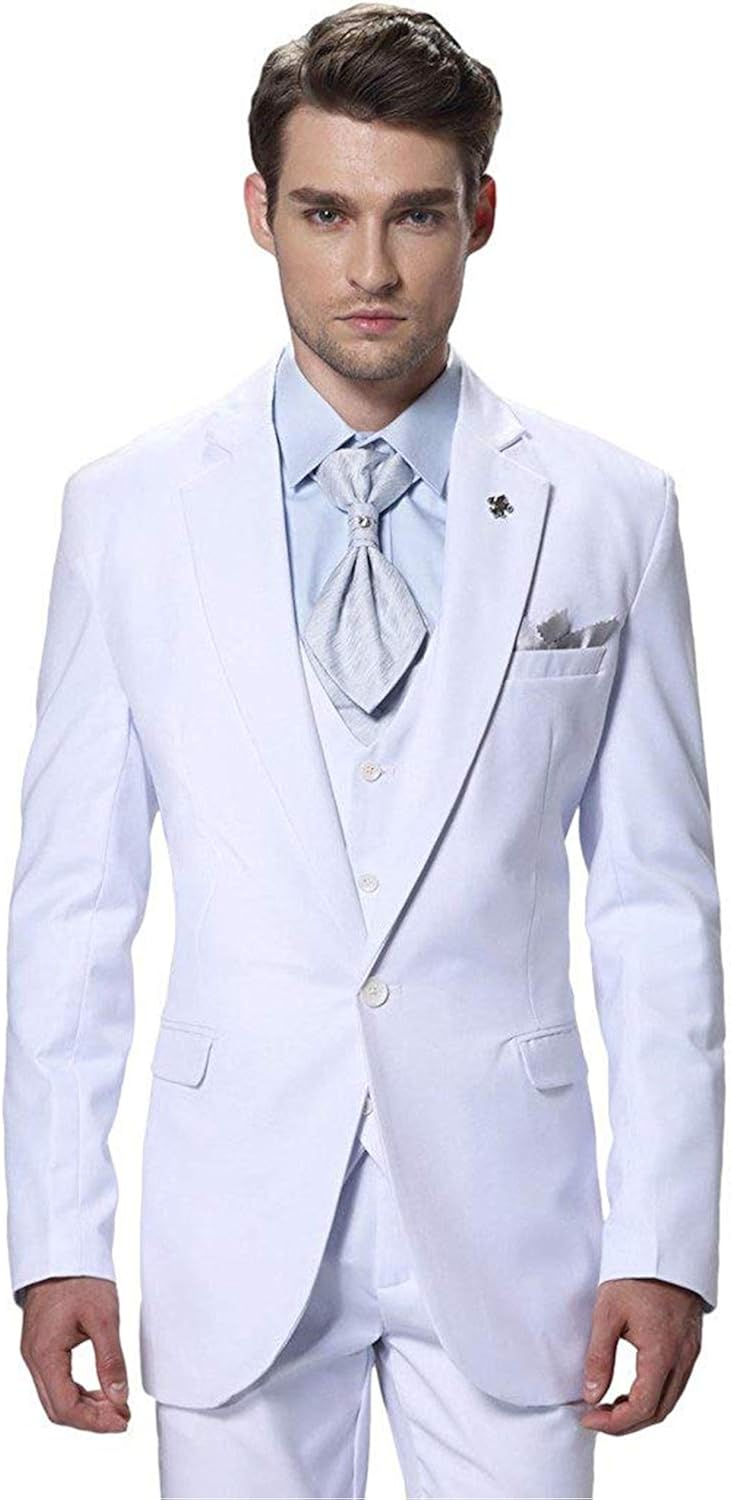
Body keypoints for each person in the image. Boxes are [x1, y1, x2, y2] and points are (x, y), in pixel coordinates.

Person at [4, 5, 725, 1497]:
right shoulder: (127, 513)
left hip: (518, 1226)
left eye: (418, 215)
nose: (374, 270)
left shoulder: (611, 510)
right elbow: (74, 900)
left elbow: (656, 904)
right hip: (233, 1210)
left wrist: (668, 1240)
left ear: (482, 214)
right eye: (327, 213)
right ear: (260, 213)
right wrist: (54, 1233)